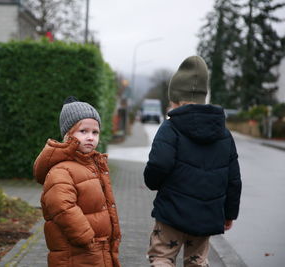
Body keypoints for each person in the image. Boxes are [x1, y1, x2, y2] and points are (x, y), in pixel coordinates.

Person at [143, 55, 242, 267]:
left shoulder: (170, 128)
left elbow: (159, 164)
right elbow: (233, 179)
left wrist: (152, 182)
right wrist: (229, 213)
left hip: (171, 212)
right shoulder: (224, 133)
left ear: (175, 100)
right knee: (197, 261)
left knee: (162, 257)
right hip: (206, 216)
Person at [33, 96, 121, 267]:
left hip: (97, 249)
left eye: (95, 132)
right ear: (68, 135)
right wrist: (85, 236)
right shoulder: (61, 169)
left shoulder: (93, 165)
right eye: (83, 131)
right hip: (77, 252)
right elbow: (61, 206)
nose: (90, 137)